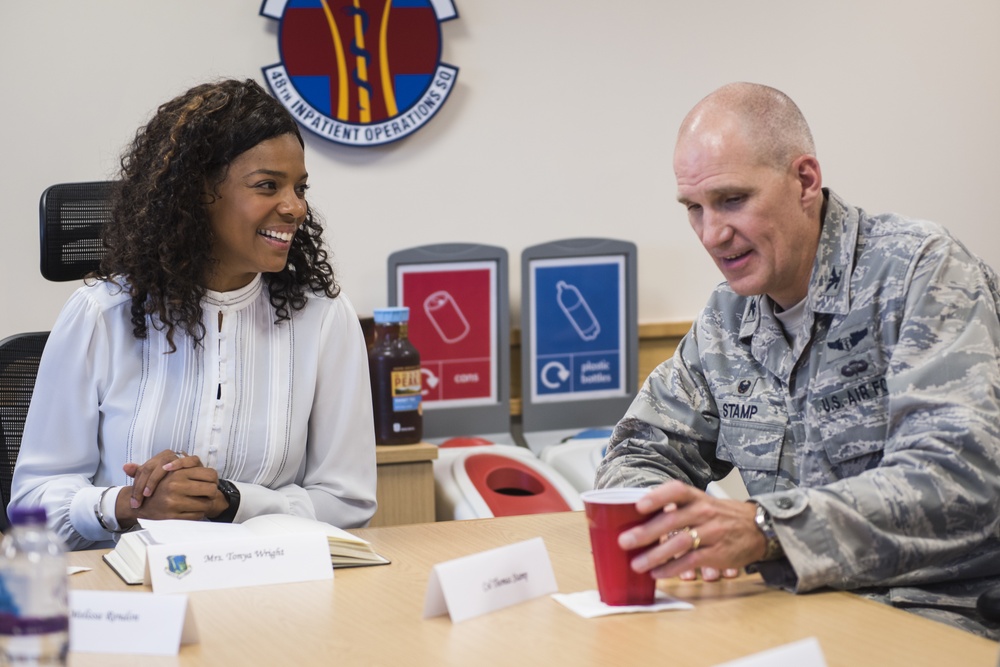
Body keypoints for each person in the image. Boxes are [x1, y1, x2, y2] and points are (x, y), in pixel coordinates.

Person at [595, 82, 1000, 638]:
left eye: (732, 200)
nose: (712, 234)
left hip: (945, 611)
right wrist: (667, 528)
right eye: (694, 208)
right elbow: (640, 447)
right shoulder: (728, 318)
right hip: (800, 606)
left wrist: (766, 528)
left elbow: (958, 477)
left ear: (805, 181)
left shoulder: (919, 272)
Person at [10, 78, 377, 550]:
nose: (295, 207)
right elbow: (31, 507)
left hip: (273, 593)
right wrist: (126, 503)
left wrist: (230, 500)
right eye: (268, 186)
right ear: (197, 193)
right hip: (127, 593)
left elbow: (349, 503)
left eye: (299, 187)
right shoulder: (101, 314)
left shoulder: (322, 316)